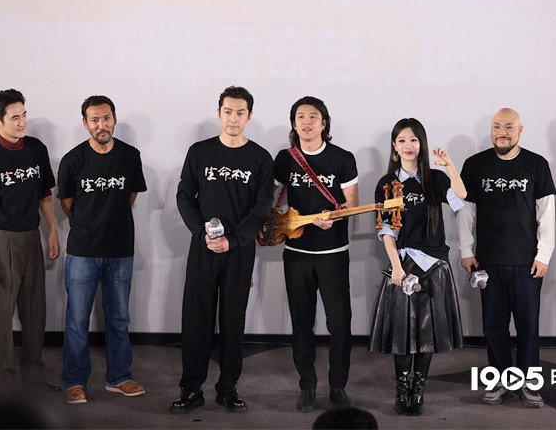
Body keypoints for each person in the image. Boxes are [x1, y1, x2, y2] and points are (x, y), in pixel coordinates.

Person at [169, 86, 273, 414]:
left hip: (238, 251)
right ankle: (191, 389)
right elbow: (184, 196)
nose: (233, 118)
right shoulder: (200, 152)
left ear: (249, 116)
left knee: (232, 320)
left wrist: (234, 239)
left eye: (240, 112)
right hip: (204, 247)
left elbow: (262, 207)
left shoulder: (260, 158)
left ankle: (228, 387)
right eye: (227, 111)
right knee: (196, 319)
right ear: (219, 113)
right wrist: (202, 233)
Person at [457, 108, 556, 408]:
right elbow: (465, 211)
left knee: (528, 326)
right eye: (497, 126)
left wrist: (544, 254)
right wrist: (466, 250)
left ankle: (528, 382)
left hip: (527, 262)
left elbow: (546, 214)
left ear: (520, 130)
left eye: (509, 127)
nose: (502, 132)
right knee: (493, 325)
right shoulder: (474, 165)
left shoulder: (536, 164)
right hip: (487, 262)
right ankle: (499, 379)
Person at [368, 118, 465, 415]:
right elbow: (386, 230)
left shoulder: (435, 179)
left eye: (413, 139)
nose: (408, 145)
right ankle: (402, 387)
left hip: (434, 265)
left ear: (421, 144)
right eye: (402, 140)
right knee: (402, 331)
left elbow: (460, 197)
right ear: (394, 147)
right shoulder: (387, 184)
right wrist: (396, 267)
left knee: (427, 333)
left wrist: (449, 165)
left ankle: (418, 388)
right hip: (403, 264)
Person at [58, 95, 147, 404]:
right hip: (83, 251)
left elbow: (131, 195)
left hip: (120, 250)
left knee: (119, 318)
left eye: (106, 118)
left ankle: (119, 377)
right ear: (85, 124)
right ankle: (74, 381)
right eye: (94, 120)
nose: (101, 125)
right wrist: (89, 224)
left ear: (114, 119)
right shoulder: (72, 160)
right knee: (77, 320)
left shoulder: (130, 156)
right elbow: (67, 203)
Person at [273, 96, 358, 412]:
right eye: (300, 117)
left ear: (324, 123)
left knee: (340, 323)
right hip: (296, 253)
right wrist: (281, 219)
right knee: (302, 323)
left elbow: (352, 204)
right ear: (294, 124)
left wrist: (333, 217)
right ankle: (307, 385)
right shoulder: (285, 159)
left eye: (313, 117)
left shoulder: (342, 158)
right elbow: (272, 200)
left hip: (333, 252)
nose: (306, 122)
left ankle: (338, 386)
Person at [0, 89, 59, 387]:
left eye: (24, 115)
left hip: (31, 237)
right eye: (15, 117)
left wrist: (52, 230)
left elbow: (44, 193)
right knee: (1, 314)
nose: (22, 122)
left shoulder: (36, 149)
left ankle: (33, 377)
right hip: (2, 241)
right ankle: (4, 383)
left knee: (35, 310)